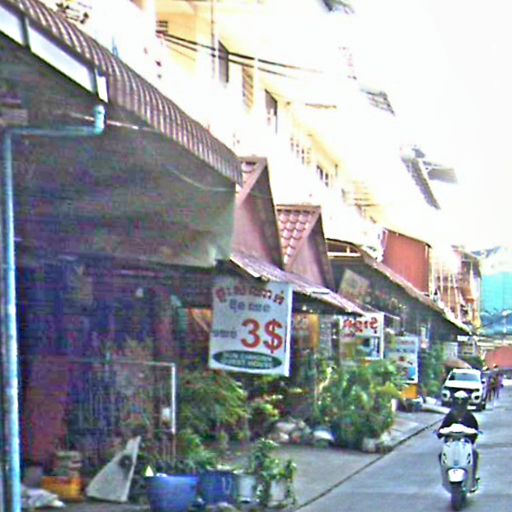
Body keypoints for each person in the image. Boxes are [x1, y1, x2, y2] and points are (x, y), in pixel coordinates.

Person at [438, 390, 480, 491]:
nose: (459, 406)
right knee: (441, 455)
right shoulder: (450, 416)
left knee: (474, 454)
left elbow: (475, 431)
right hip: (451, 445)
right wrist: (442, 433)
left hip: (464, 445)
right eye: (457, 403)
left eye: (462, 403)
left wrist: (471, 435)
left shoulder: (469, 417)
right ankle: (445, 477)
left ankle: (472, 478)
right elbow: (442, 429)